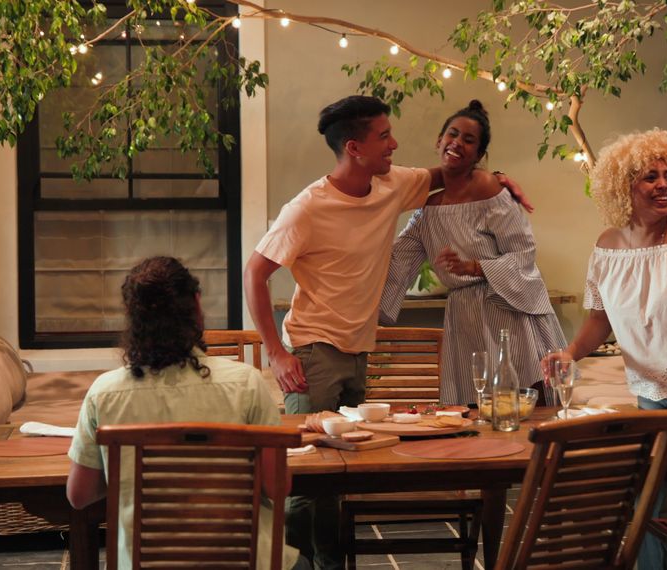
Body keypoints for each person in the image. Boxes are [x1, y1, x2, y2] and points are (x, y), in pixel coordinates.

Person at [243, 95, 529, 569]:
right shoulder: (307, 209)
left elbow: (448, 171)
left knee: (338, 474)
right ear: (354, 147)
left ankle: (331, 564)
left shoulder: (392, 184)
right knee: (308, 475)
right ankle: (296, 564)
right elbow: (255, 273)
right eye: (384, 137)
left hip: (357, 351)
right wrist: (275, 352)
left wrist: (498, 181)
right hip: (314, 350)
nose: (395, 144)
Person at [542, 128, 667, 569]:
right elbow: (600, 319)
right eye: (649, 177)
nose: (663, 185)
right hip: (650, 394)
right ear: (623, 187)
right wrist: (568, 353)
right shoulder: (607, 248)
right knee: (647, 504)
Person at [66, 256, 292, 570]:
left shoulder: (103, 393)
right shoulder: (247, 384)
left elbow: (79, 495)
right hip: (244, 561)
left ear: (133, 319)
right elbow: (277, 487)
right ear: (196, 306)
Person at [380, 100, 565, 405]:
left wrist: (476, 268)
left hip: (507, 312)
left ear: (479, 155)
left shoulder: (490, 190)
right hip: (464, 319)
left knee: (526, 407)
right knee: (474, 407)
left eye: (469, 140)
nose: (457, 143)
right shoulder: (427, 209)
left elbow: (524, 253)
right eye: (452, 135)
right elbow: (397, 260)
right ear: (439, 141)